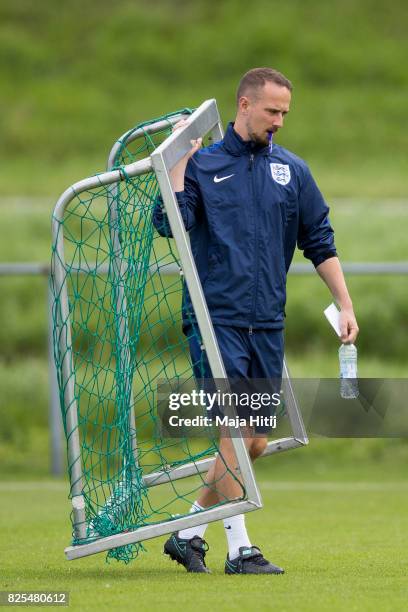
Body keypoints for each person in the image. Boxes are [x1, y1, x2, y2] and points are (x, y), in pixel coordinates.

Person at [153, 67, 359, 575]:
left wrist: (346, 304)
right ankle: (242, 551)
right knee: (235, 433)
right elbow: (169, 225)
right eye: (272, 111)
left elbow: (320, 241)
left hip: (266, 321)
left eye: (285, 112)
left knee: (255, 441)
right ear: (244, 105)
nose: (279, 121)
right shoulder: (204, 165)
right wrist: (179, 161)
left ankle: (187, 533)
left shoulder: (292, 170)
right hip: (214, 318)